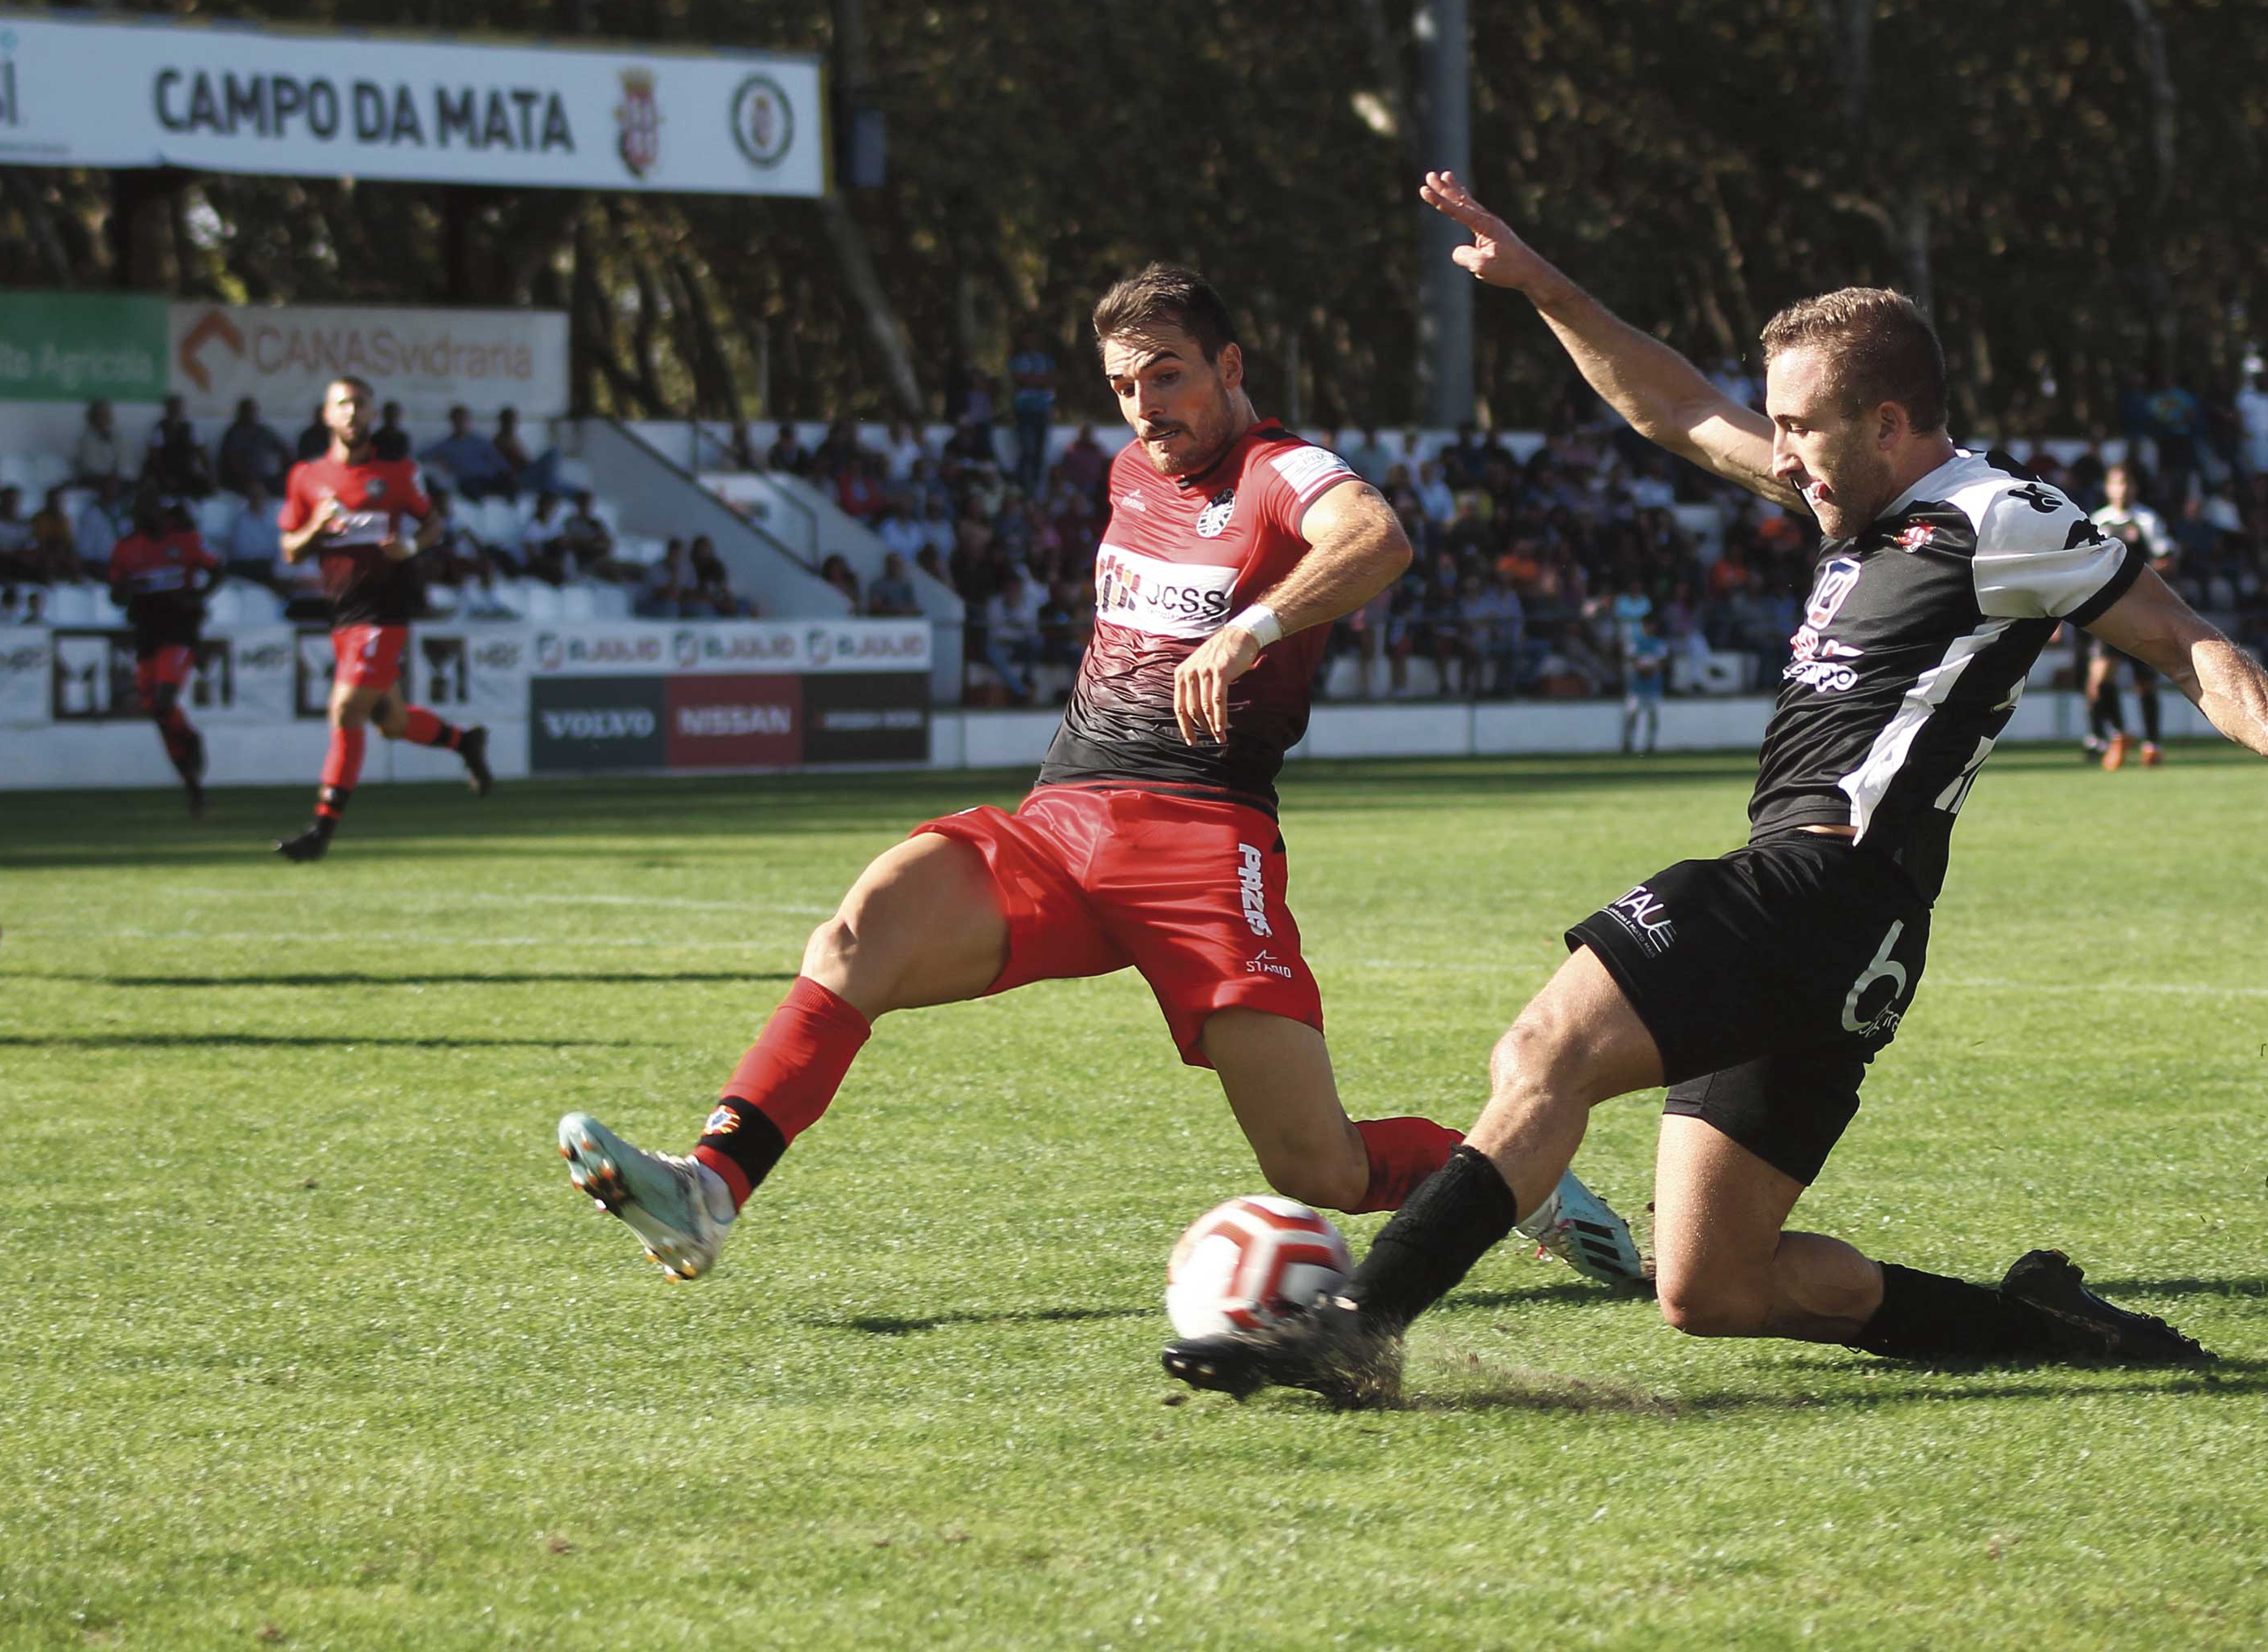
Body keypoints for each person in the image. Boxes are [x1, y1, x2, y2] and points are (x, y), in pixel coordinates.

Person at [1161, 176, 2268, 1408]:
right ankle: (2042, 1329)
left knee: (1542, 1049)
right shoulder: (1845, 495)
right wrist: (1540, 284)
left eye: (1805, 428)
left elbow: (2180, 637)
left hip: (1822, 884)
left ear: (1887, 422)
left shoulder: (2001, 517)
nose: (1784, 454)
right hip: (1843, 932)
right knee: (1712, 1286)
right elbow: (1675, 406)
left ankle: (1355, 1325)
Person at [556, 262, 1645, 1288]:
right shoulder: (1132, 470)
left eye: (1165, 375)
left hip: (1202, 844)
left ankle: (1522, 1182)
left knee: (1319, 1170)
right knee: (856, 935)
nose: (1141, 407)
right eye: (1122, 385)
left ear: (1229, 364)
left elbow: (1377, 538)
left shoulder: (1279, 468)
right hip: (1059, 824)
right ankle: (711, 1188)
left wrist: (1249, 630)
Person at [272, 375, 491, 861]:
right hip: (343, 615)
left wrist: (411, 546)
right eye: (342, 405)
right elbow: (289, 550)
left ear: (373, 414)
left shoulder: (397, 473)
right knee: (390, 722)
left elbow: (432, 522)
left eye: (360, 405)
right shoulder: (306, 477)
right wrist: (315, 524)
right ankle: (465, 741)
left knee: (345, 711)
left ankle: (321, 831)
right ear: (327, 416)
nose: (352, 413)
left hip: (385, 611)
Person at [108, 494, 221, 816]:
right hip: (147, 634)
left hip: (179, 632)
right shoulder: (127, 549)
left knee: (162, 700)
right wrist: (126, 591)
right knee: (158, 712)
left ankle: (189, 744)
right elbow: (115, 592)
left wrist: (197, 596)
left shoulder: (185, 542)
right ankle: (191, 782)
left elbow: (216, 569)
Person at [2086, 461, 2176, 768]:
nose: (2121, 489)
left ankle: (2153, 743)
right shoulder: (2098, 521)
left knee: (2144, 682)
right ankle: (2120, 734)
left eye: (2126, 483)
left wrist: (2137, 577)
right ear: (2108, 488)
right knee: (2099, 680)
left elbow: (2167, 559)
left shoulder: (2147, 520)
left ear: (2134, 488)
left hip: (2142, 611)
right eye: (2115, 484)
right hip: (2108, 610)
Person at [421, 404, 514, 499]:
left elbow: (499, 461)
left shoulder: (480, 441)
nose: (461, 423)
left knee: (509, 482)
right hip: (468, 481)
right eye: (458, 420)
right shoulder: (446, 445)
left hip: (487, 478)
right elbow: (422, 455)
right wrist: (439, 462)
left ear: (469, 421)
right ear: (452, 422)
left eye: (464, 420)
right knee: (468, 487)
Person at [1615, 586, 1665, 754]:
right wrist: (1643, 669)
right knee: (1632, 717)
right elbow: (1631, 660)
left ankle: (1650, 744)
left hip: (1653, 686)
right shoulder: (1635, 642)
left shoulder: (1659, 643)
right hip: (1637, 687)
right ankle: (1628, 744)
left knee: (1653, 718)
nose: (1648, 628)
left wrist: (1648, 669)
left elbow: (1661, 662)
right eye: (1646, 625)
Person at [216, 396, 293, 498]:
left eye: (253, 410)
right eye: (247, 410)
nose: (251, 413)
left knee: (286, 487)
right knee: (255, 491)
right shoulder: (234, 433)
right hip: (240, 479)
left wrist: (284, 472)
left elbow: (284, 450)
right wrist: (250, 478)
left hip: (264, 477)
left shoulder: (263, 431)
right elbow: (232, 461)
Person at [145, 396, 216, 499]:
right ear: (167, 409)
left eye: (178, 408)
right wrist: (165, 476)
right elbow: (154, 457)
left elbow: (202, 454)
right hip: (166, 472)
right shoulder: (160, 428)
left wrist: (211, 475)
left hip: (187, 471)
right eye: (172, 408)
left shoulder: (191, 428)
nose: (175, 411)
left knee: (206, 487)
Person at [1008, 349, 1059, 493]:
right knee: (1027, 450)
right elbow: (1018, 378)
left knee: (1039, 452)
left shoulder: (1045, 359)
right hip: (1024, 410)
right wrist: (1039, 380)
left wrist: (1033, 380)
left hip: (1043, 409)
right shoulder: (1019, 359)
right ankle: (1022, 487)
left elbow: (1053, 378)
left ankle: (1035, 489)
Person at [221, 480, 285, 587]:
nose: (257, 499)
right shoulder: (240, 520)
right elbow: (240, 550)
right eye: (254, 496)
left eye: (260, 496)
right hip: (245, 567)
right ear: (249, 498)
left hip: (267, 566)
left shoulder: (273, 519)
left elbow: (276, 547)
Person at [71, 399, 128, 492]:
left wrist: (116, 474)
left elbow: (124, 460)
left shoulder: (116, 437)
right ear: (93, 418)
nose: (103, 419)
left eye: (106, 416)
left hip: (114, 479)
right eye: (100, 416)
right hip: (93, 479)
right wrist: (107, 476)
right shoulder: (85, 439)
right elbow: (89, 464)